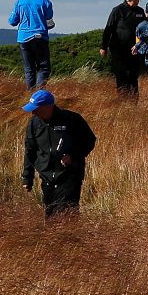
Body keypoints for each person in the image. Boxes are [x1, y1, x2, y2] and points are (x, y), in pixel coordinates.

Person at [21, 89, 97, 218]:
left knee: (66, 215)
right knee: (50, 216)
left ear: (48, 107)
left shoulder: (72, 119)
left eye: (36, 109)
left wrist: (72, 156)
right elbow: (30, 151)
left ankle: (70, 237)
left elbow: (89, 141)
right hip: (47, 178)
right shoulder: (34, 123)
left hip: (69, 175)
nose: (33, 112)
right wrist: (27, 178)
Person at [99, 0, 146, 100]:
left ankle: (134, 101)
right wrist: (103, 47)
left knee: (133, 76)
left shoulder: (140, 12)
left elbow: (145, 28)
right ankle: (123, 101)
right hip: (118, 50)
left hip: (134, 50)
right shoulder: (117, 10)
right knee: (121, 76)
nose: (138, 1)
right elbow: (108, 29)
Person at [8, 0, 54, 92]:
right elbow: (49, 23)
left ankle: (30, 94)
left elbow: (12, 21)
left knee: (29, 69)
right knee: (43, 67)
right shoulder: (46, 2)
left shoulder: (20, 2)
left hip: (23, 38)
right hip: (40, 37)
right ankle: (40, 93)